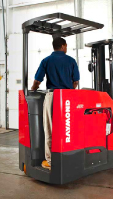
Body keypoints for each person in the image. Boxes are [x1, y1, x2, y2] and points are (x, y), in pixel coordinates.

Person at [31, 37, 80, 170]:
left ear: (54, 46)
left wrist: (32, 90)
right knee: (68, 129)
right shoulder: (71, 61)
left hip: (52, 96)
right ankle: (69, 158)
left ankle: (52, 162)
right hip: (68, 97)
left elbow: (37, 81)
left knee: (50, 129)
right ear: (64, 46)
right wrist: (69, 90)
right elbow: (75, 81)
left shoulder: (46, 60)